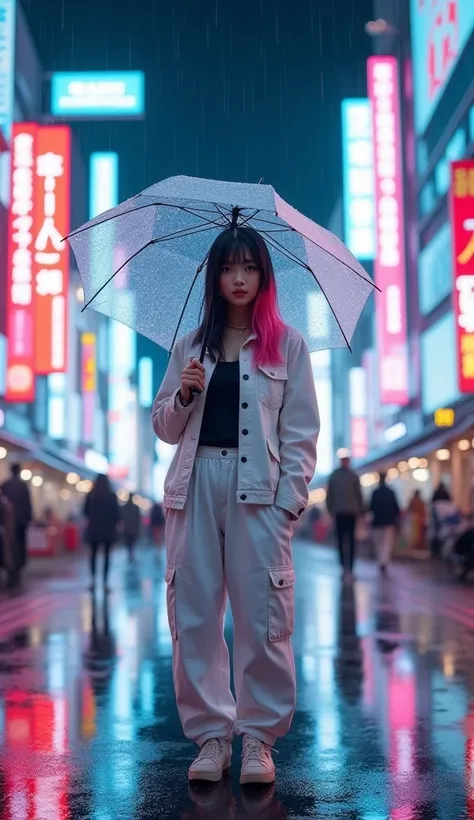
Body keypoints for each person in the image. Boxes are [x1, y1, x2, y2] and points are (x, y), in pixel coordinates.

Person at [152, 226, 319, 785]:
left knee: (263, 619)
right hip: (194, 485)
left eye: (249, 268)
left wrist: (287, 506)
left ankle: (257, 742)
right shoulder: (189, 345)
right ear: (214, 277)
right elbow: (164, 428)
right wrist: (184, 393)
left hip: (258, 493)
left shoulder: (287, 344)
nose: (239, 279)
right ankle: (210, 738)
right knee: (195, 617)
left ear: (264, 276)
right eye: (228, 268)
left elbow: (301, 433)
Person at [326, 453, 364, 581]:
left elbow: (329, 495)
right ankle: (349, 568)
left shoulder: (334, 476)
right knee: (351, 541)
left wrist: (330, 509)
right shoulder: (353, 475)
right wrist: (361, 510)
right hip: (350, 512)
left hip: (340, 512)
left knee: (342, 540)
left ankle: (345, 568)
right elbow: (359, 495)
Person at [83, 474, 120, 592]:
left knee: (93, 556)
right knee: (106, 557)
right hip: (108, 531)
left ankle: (93, 581)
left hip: (94, 530)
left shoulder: (91, 495)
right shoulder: (112, 496)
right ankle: (105, 583)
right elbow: (117, 515)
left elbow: (85, 511)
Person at [1, 463, 33, 588]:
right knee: (19, 547)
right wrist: (28, 519)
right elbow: (27, 505)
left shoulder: (5, 485)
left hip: (7, 524)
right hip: (20, 523)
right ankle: (17, 572)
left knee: (8, 548)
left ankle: (10, 571)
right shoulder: (23, 486)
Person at [369, 472, 400, 573]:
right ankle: (384, 561)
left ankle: (381, 560)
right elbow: (396, 508)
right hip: (388, 521)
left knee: (378, 544)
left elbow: (370, 507)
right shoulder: (390, 492)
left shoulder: (375, 493)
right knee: (387, 543)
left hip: (377, 522)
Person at [121, 492, 141, 560]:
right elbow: (138, 519)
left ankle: (130, 553)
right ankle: (131, 553)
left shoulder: (124, 507)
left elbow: (122, 518)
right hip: (133, 529)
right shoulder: (135, 507)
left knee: (128, 543)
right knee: (131, 543)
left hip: (127, 528)